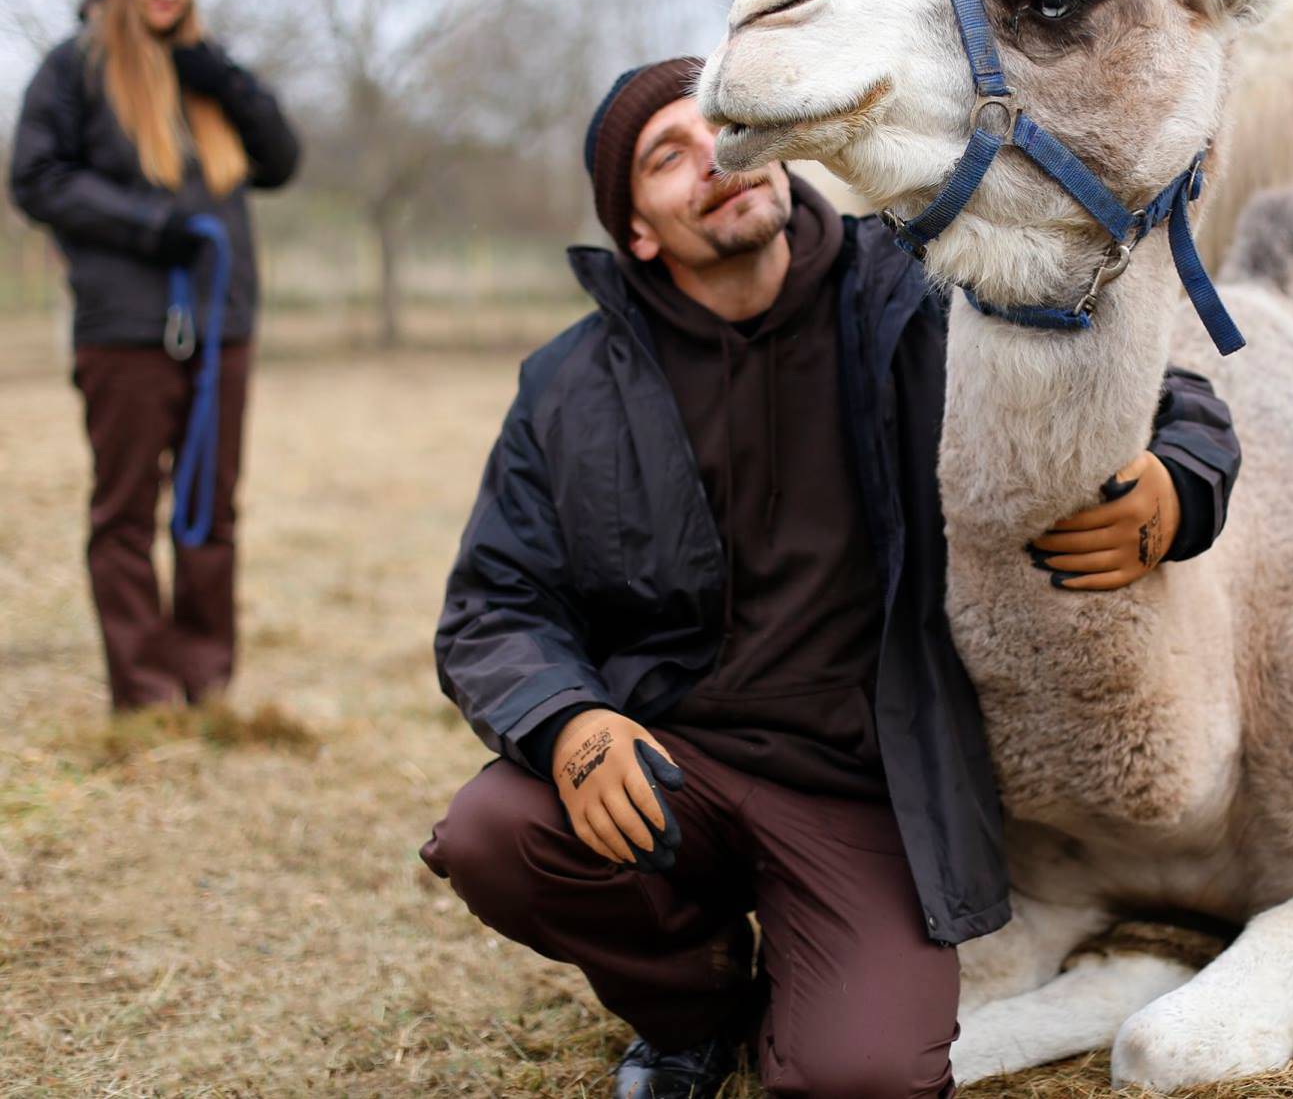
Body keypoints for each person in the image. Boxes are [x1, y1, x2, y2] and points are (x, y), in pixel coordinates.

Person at [420, 57, 1240, 1098]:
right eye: (667, 157)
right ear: (635, 229)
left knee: (858, 1079)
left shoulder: (920, 286)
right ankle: (694, 1009)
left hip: (868, 785)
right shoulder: (568, 386)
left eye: (719, 129)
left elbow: (1144, 383)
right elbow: (494, 606)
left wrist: (1183, 479)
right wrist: (567, 723)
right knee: (497, 833)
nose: (712, 160)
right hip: (673, 762)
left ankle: (807, 992)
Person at [9, 0, 300, 711]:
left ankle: (206, 674)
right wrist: (150, 226)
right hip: (127, 329)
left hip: (222, 325)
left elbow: (281, 161)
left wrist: (228, 80)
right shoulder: (73, 71)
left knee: (212, 505)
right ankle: (144, 687)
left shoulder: (207, 70)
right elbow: (36, 177)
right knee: (126, 508)